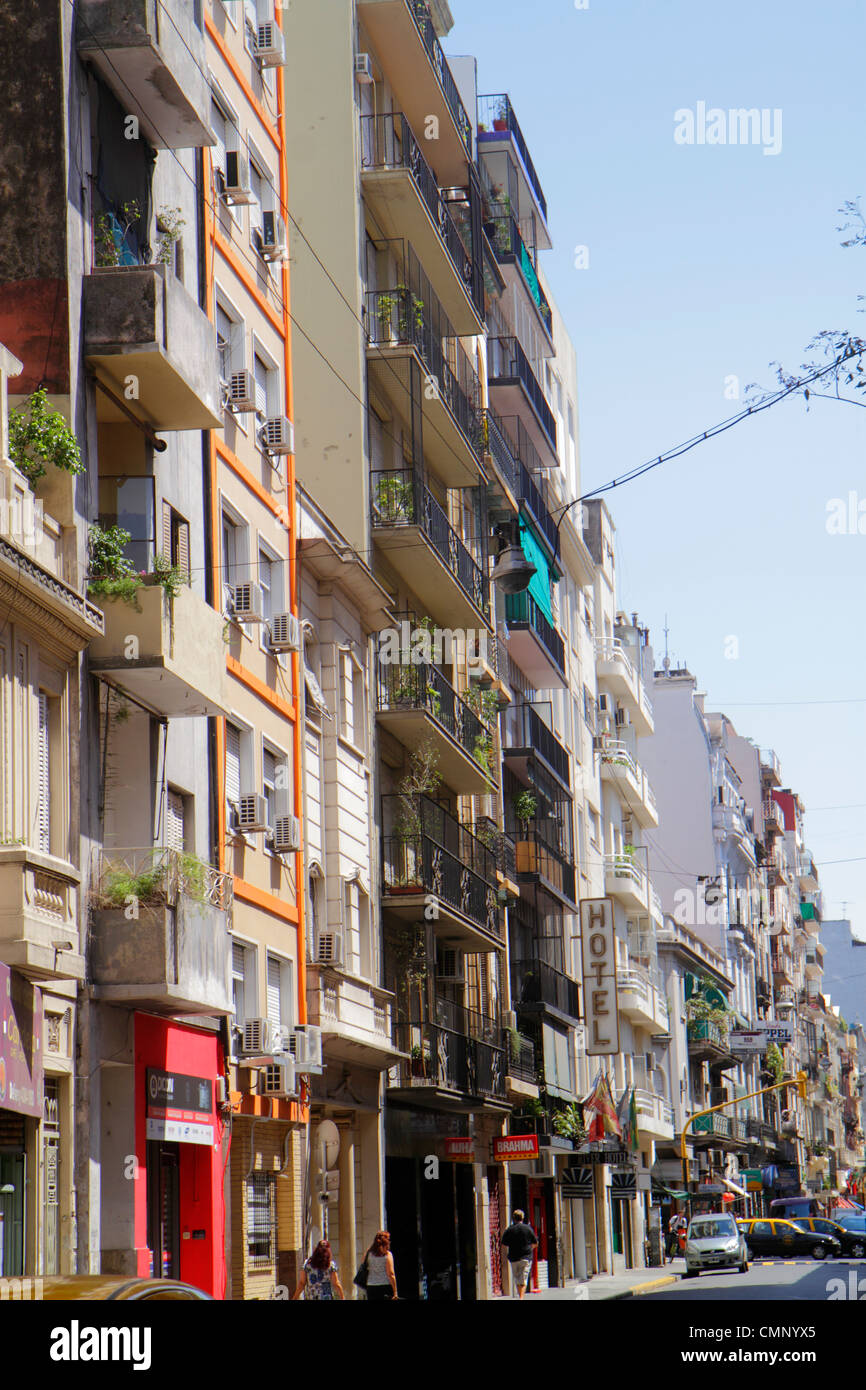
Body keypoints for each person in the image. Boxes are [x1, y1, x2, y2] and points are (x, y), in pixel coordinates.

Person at [501, 1209, 538, 1299]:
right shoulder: (528, 1228)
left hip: (514, 1258)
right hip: (526, 1257)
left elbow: (504, 1242)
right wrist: (530, 1248)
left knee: (517, 1279)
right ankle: (521, 1298)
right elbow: (535, 1242)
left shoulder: (509, 1230)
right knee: (523, 1279)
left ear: (513, 1218)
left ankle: (520, 1296)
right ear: (522, 1217)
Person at [362, 1230, 398, 1301]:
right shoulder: (387, 1255)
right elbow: (391, 1274)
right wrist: (395, 1292)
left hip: (371, 1286)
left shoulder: (368, 1253)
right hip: (385, 1287)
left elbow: (363, 1263)